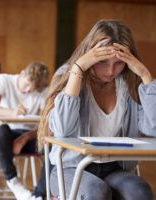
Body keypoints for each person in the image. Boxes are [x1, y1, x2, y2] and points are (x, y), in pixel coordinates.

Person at [37, 19, 156, 200]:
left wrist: (145, 75)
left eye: (118, 63)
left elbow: (153, 128)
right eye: (102, 62)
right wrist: (78, 69)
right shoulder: (70, 76)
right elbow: (62, 130)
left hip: (115, 168)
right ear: (90, 56)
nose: (110, 71)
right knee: (96, 192)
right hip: (71, 168)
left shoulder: (129, 84)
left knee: (140, 191)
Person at [0, 61, 49, 200]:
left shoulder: (43, 90)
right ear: (21, 73)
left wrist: (25, 137)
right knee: (1, 129)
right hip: (6, 135)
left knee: (52, 146)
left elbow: (47, 123)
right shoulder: (3, 80)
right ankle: (14, 182)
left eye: (32, 89)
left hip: (30, 135)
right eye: (26, 85)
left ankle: (39, 193)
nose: (28, 91)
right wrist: (12, 112)